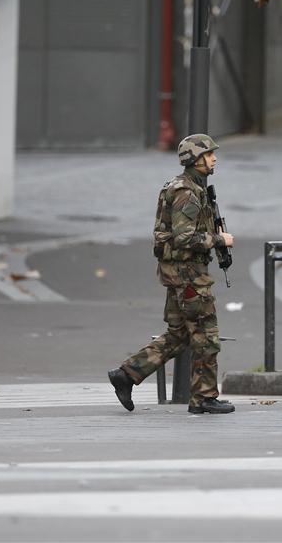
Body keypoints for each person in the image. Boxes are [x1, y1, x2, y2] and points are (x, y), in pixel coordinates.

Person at [108, 134, 235, 414]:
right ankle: (203, 398)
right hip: (188, 274)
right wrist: (218, 240)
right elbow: (183, 238)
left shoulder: (190, 187)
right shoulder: (187, 192)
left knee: (178, 335)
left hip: (179, 272)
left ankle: (126, 375)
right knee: (206, 334)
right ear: (195, 159)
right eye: (209, 154)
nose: (214, 158)